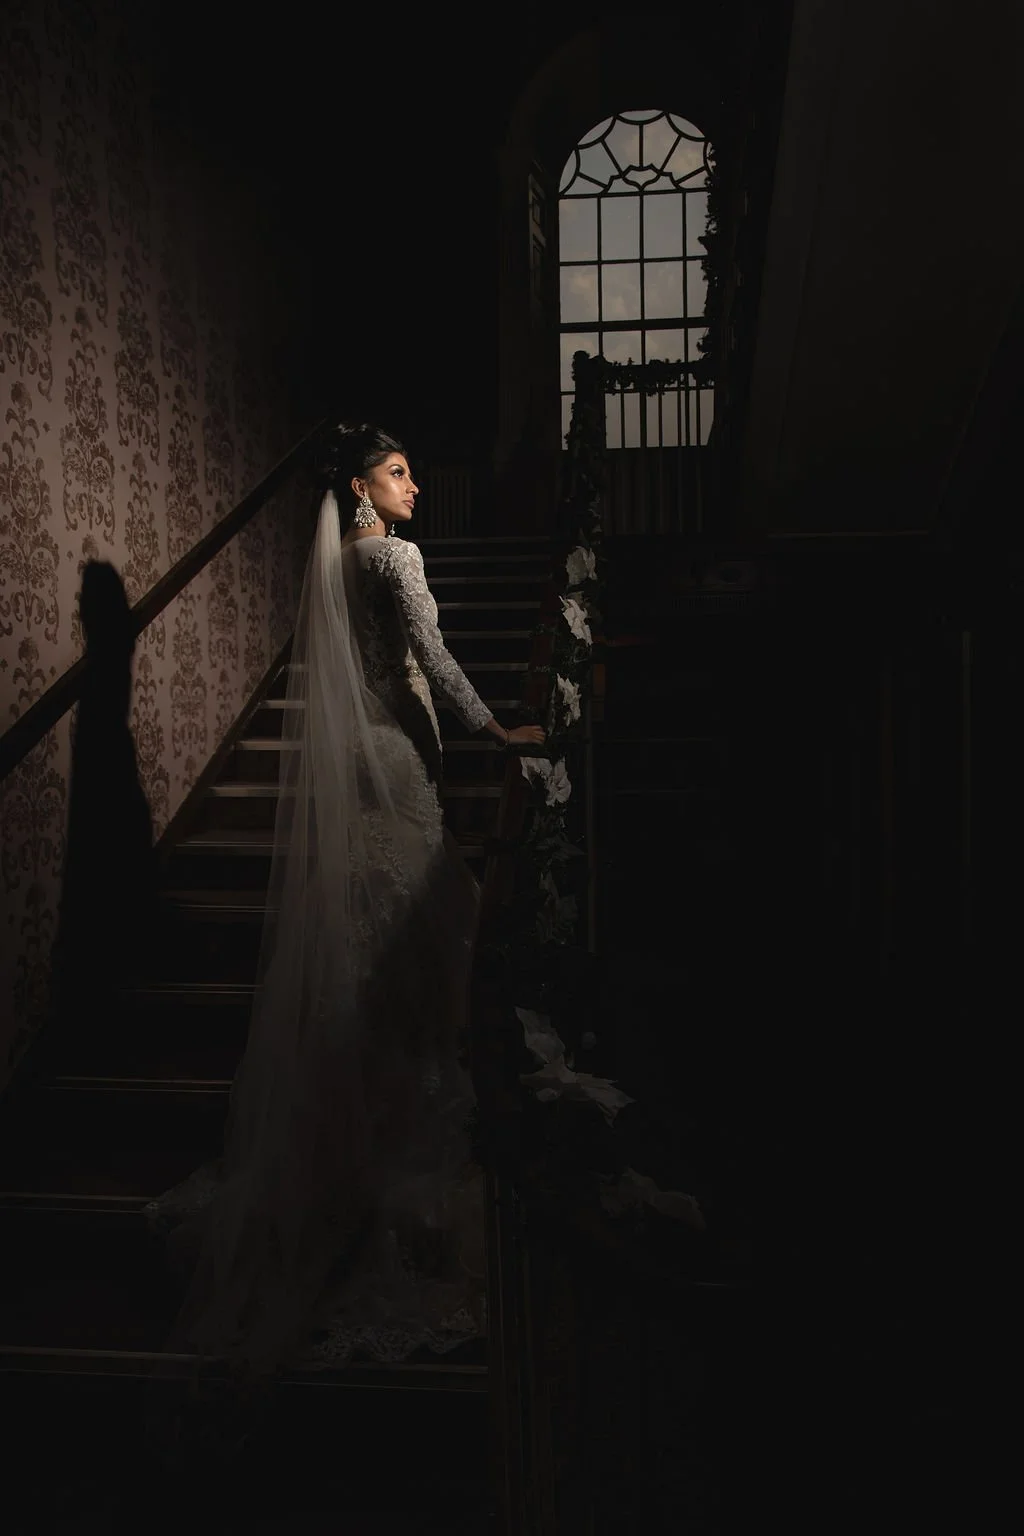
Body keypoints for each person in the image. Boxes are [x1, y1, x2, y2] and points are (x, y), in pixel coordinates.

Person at [147, 423, 545, 1376]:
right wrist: (497, 730)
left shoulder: (331, 567)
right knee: (418, 943)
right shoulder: (396, 559)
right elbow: (432, 659)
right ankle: (406, 1146)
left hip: (357, 768)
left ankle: (351, 1139)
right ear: (361, 489)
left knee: (377, 941)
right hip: (396, 761)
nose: (416, 487)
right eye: (399, 473)